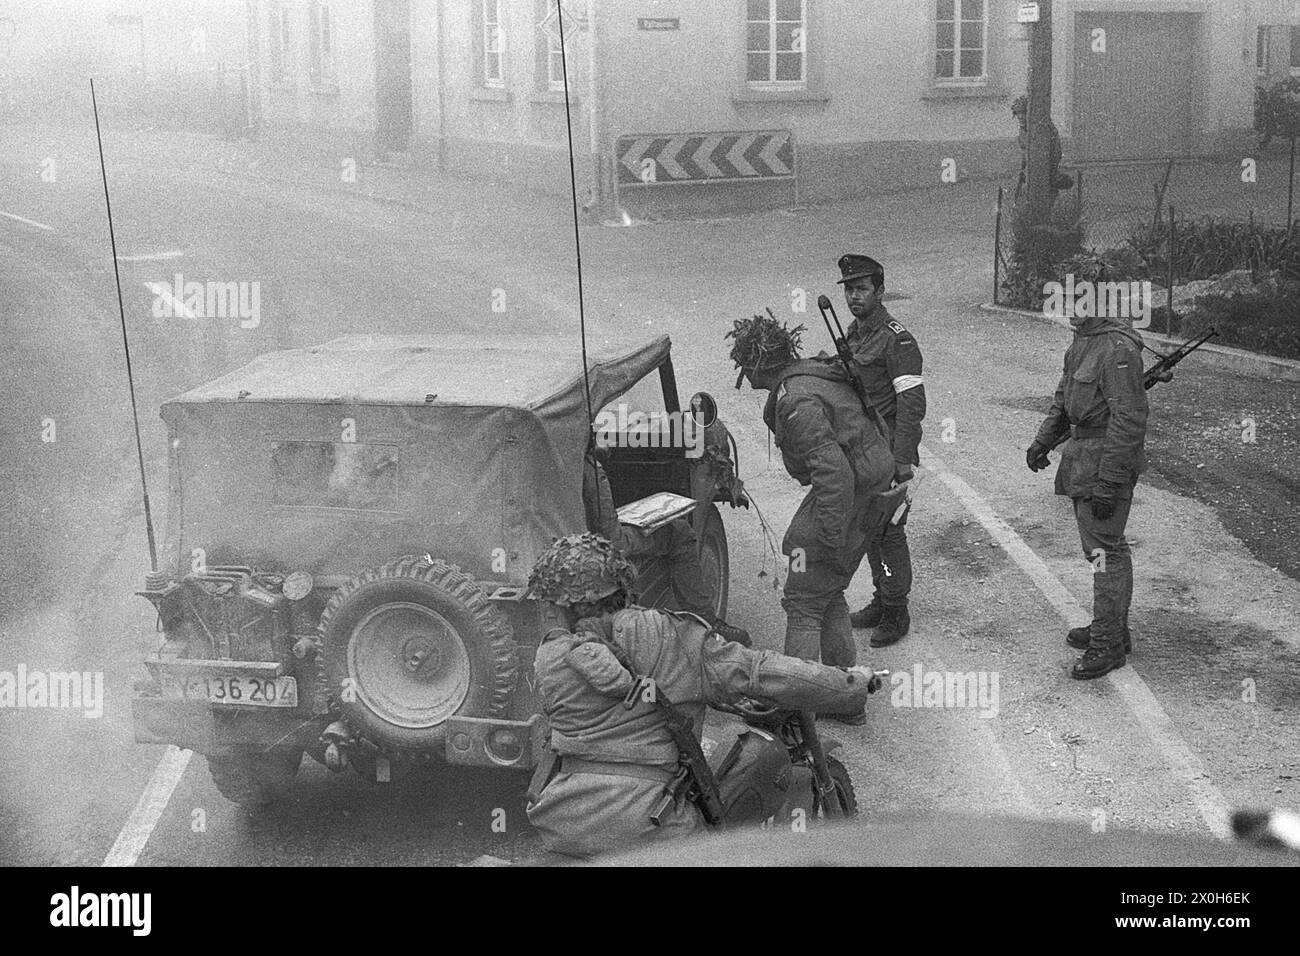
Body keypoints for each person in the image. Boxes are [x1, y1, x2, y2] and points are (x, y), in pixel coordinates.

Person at [524, 532, 880, 858]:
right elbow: (761, 671)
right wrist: (850, 683)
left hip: (563, 821)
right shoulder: (669, 634)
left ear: (561, 605)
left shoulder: (549, 657)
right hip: (653, 825)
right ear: (620, 586)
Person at [726, 313, 897, 724]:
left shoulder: (796, 401)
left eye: (742, 365)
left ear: (758, 364)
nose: (742, 375)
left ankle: (794, 710)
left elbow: (833, 473)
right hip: (868, 491)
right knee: (828, 591)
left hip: (846, 499)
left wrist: (830, 538)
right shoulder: (814, 377)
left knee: (803, 599)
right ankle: (848, 699)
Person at [1026, 308, 1148, 680]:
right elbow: (1063, 401)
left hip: (1104, 464)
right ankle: (1113, 629)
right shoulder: (1082, 343)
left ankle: (1108, 644)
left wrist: (1109, 481)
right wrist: (1041, 442)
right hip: (1083, 460)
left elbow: (1129, 419)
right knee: (1106, 549)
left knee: (1103, 552)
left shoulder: (1117, 349)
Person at [837, 255, 926, 647]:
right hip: (864, 447)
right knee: (871, 528)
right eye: (850, 290)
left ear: (880, 291)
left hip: (888, 447)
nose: (854, 297)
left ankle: (895, 610)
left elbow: (912, 403)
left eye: (862, 289)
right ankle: (881, 596)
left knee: (889, 531)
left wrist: (903, 458)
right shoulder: (855, 333)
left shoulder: (896, 338)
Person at [582, 447, 750, 646]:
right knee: (680, 532)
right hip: (604, 543)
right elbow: (613, 539)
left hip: (579, 537)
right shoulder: (591, 470)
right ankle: (706, 621)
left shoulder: (563, 456)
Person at [1012, 95, 1073, 210]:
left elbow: (1055, 152)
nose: (1020, 117)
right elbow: (1024, 152)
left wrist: (1048, 169)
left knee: (1047, 198)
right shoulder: (1023, 131)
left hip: (1045, 167)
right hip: (1031, 168)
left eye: (1023, 113)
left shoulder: (1044, 128)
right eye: (1017, 113)